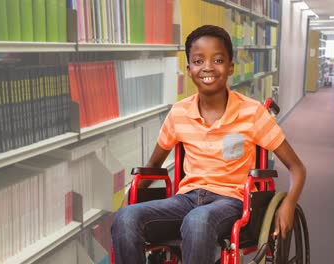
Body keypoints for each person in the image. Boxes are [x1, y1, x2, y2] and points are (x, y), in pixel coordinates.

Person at [111, 25, 306, 264]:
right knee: (126, 218)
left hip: (232, 201)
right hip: (186, 199)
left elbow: (297, 168)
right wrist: (130, 195)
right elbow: (153, 165)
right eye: (198, 60)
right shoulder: (179, 113)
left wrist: (289, 203)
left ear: (231, 67)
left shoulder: (252, 112)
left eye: (218, 59)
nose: (208, 67)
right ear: (189, 69)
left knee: (198, 220)